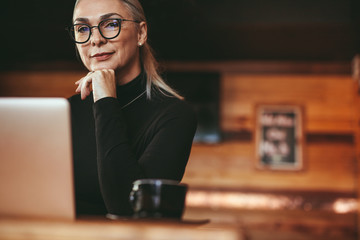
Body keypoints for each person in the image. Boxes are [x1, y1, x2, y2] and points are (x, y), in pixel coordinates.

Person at [66, 0, 197, 217]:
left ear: (141, 33)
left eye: (110, 24)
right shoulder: (66, 111)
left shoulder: (176, 116)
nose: (96, 40)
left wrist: (106, 100)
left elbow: (127, 210)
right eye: (83, 29)